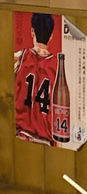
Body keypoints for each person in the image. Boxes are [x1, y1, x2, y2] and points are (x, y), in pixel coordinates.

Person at [14, 12, 58, 145]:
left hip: (21, 136)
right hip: (46, 141)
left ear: (32, 31)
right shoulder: (59, 67)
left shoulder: (21, 57)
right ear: (51, 36)